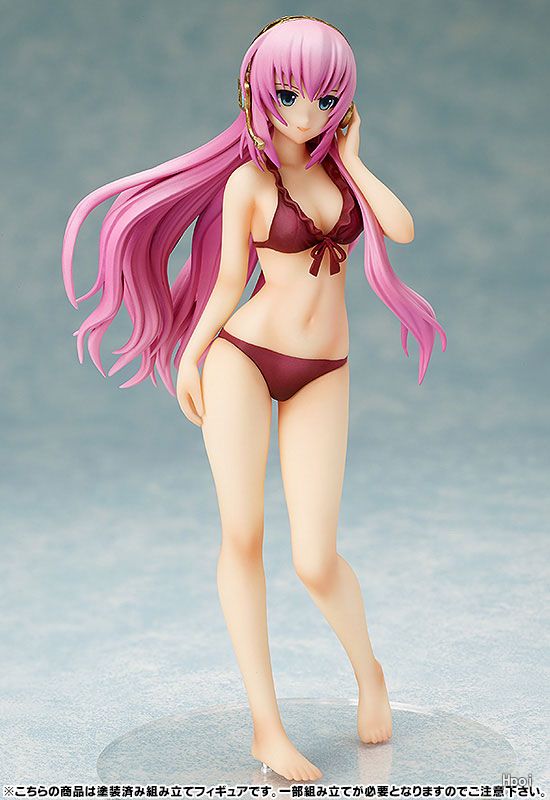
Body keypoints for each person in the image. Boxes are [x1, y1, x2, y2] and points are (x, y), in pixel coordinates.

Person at [62, 15, 446, 782]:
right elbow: (229, 283)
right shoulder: (250, 183)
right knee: (242, 537)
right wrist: (192, 355)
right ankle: (266, 728)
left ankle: (370, 673)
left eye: (326, 97)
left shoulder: (342, 177)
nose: (306, 112)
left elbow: (400, 229)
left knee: (314, 559)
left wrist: (355, 158)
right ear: (257, 91)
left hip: (323, 370)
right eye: (290, 93)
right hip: (242, 357)